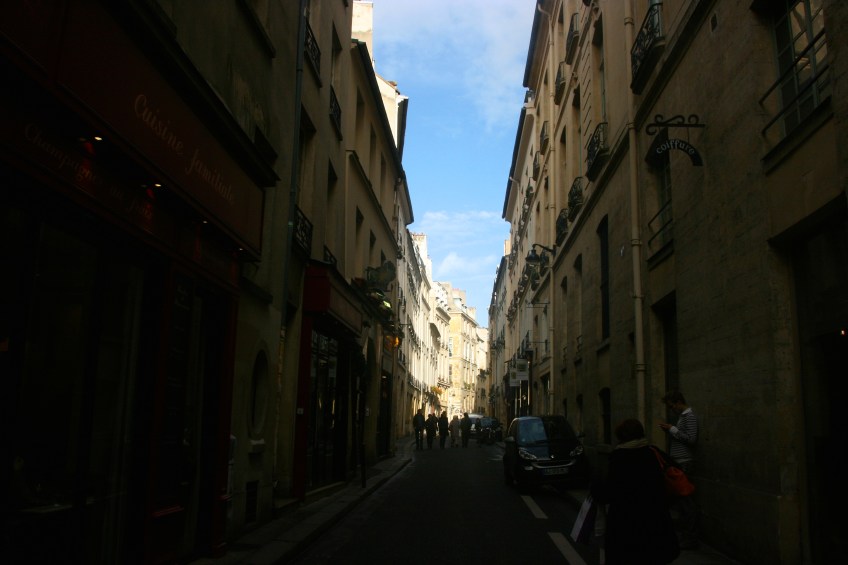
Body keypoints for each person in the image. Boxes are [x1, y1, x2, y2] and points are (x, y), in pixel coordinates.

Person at [591, 418, 680, 564]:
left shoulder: (618, 459)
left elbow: (606, 494)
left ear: (621, 437)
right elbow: (671, 481)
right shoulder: (653, 453)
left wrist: (595, 487)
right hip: (655, 527)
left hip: (626, 528)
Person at [659, 390, 699, 549]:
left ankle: (691, 538)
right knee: (680, 503)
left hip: (685, 463)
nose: (671, 410)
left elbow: (691, 439)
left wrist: (672, 429)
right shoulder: (682, 417)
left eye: (671, 406)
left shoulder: (689, 416)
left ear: (677, 402)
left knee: (686, 503)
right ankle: (685, 535)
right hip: (678, 463)